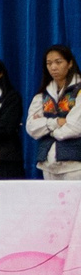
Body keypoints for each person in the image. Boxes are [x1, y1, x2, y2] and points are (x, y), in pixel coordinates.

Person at [28, 45, 81, 181]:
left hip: (74, 164)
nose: (53, 67)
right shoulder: (42, 95)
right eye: (49, 63)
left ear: (69, 64)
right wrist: (56, 122)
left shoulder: (78, 91)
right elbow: (31, 128)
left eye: (58, 62)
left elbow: (75, 127)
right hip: (48, 164)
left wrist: (48, 130)